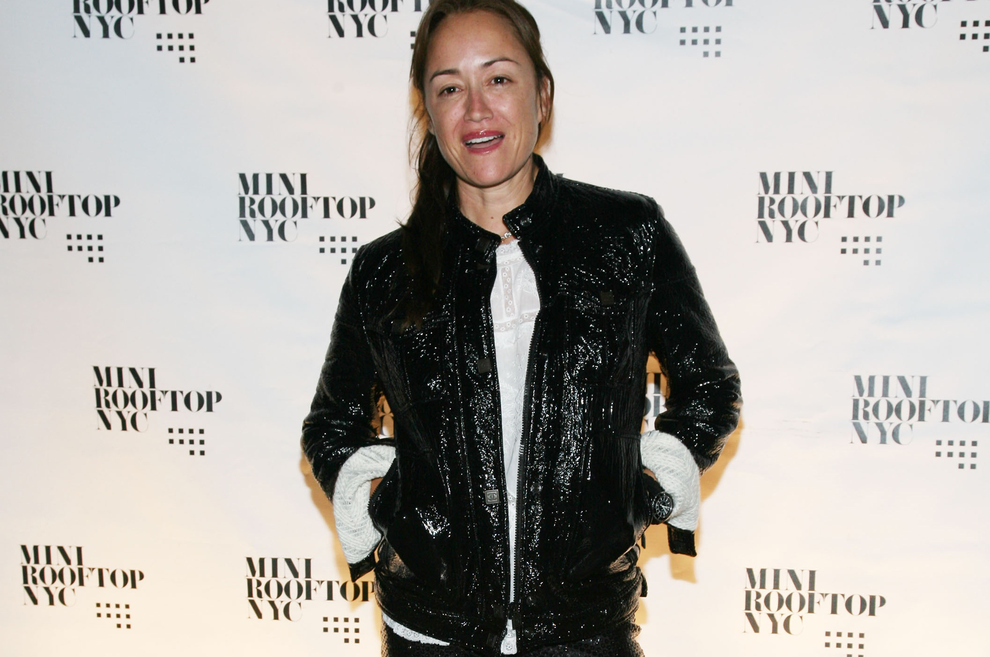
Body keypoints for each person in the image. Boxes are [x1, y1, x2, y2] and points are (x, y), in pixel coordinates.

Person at [302, 1, 741, 655]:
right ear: (428, 111)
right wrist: (389, 498)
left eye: (499, 78)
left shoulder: (627, 235)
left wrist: (636, 491)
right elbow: (331, 425)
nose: (476, 110)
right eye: (450, 88)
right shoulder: (383, 272)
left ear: (543, 95)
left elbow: (710, 387)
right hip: (431, 630)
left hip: (584, 628)